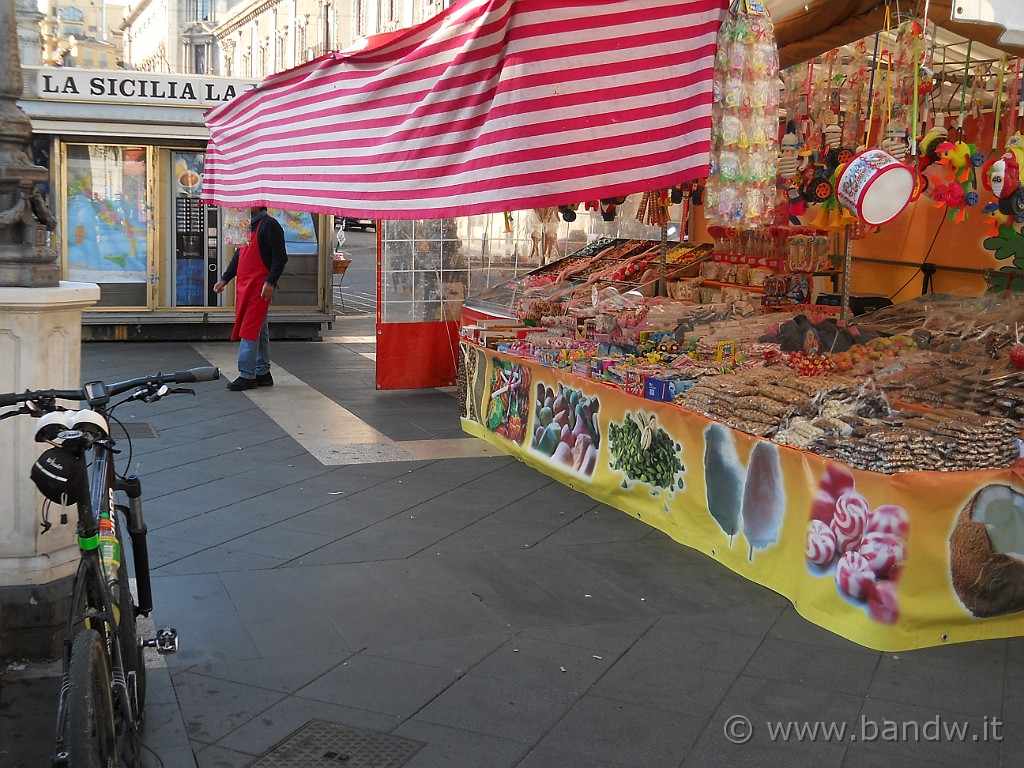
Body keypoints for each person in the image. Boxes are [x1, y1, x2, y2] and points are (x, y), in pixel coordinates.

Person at [214, 206, 287, 391]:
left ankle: (247, 375)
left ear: (259, 203)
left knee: (249, 329)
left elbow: (280, 258)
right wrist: (225, 278)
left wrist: (270, 282)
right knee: (260, 331)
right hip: (246, 285)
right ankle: (262, 372)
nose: (243, 206)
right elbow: (239, 255)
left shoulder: (270, 225)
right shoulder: (247, 226)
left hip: (260, 287)